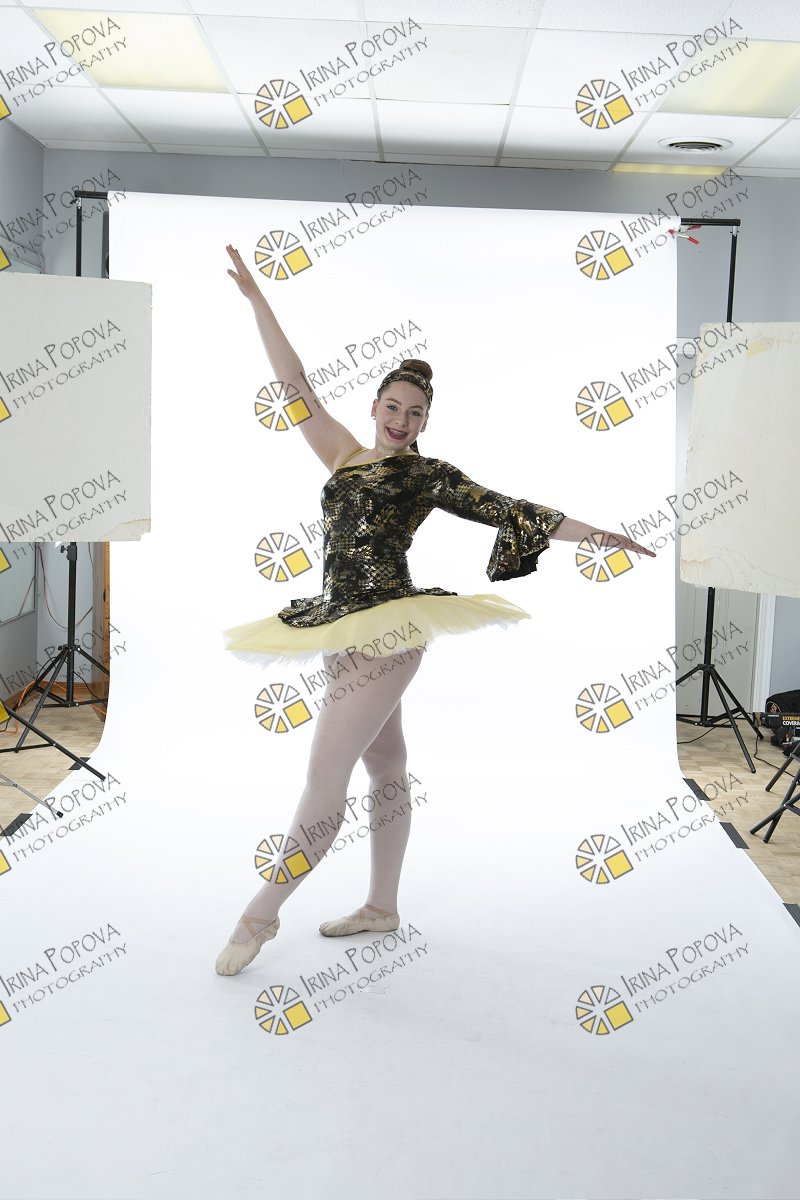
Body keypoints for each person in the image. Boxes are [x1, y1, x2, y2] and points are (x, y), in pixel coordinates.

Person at [215, 244, 655, 976]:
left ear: (425, 422)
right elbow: (295, 386)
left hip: (388, 632)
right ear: (374, 407)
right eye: (392, 407)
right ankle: (381, 907)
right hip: (337, 621)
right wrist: (260, 302)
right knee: (387, 765)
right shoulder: (342, 455)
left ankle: (259, 915)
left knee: (324, 779)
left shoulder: (428, 475)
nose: (401, 420)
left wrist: (600, 535)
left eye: (414, 413)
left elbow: (509, 508)